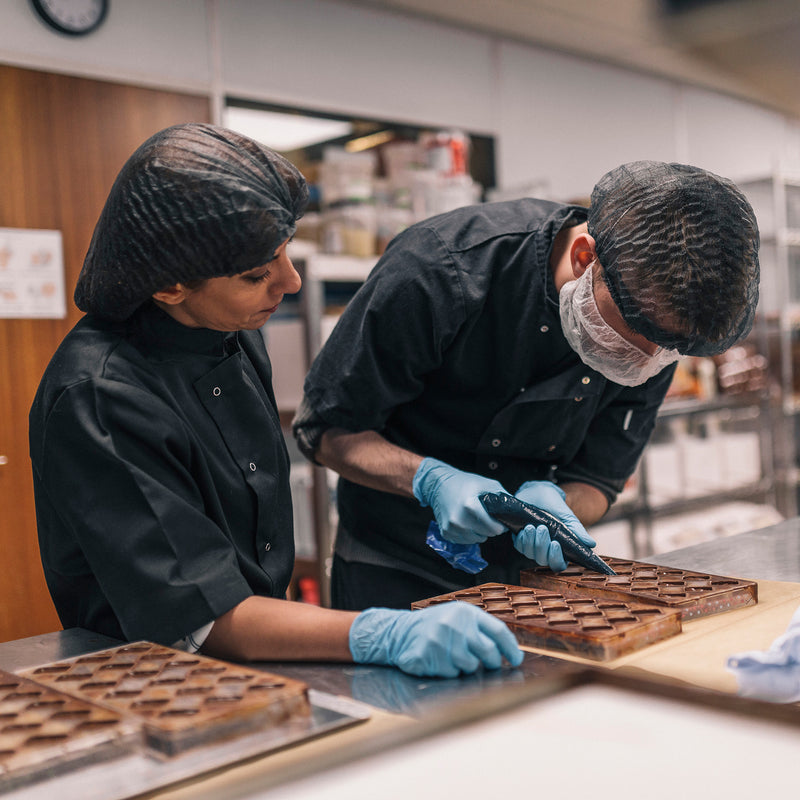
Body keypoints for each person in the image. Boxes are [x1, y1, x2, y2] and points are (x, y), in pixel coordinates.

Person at [28, 123, 523, 679]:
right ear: (168, 286)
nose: (288, 282)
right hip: (154, 680)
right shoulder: (98, 395)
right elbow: (201, 617)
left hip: (257, 659)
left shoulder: (233, 332)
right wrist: (380, 631)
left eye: (285, 254)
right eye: (256, 273)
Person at [293, 160, 760, 611]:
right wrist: (431, 481)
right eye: (638, 336)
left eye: (669, 349)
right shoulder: (440, 269)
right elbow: (327, 429)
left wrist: (556, 508)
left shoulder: (661, 333)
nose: (651, 361)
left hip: (531, 579)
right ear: (584, 259)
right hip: (396, 564)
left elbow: (599, 478)